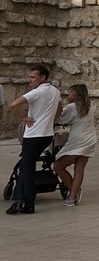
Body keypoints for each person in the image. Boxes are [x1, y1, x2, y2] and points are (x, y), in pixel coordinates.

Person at [6, 65, 60, 215]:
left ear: (43, 77)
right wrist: (50, 121)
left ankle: (26, 203)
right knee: (25, 167)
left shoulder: (36, 92)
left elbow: (14, 104)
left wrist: (24, 117)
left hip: (34, 135)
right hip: (47, 134)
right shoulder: (55, 91)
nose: (29, 80)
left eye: (32, 77)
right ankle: (19, 200)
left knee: (27, 170)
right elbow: (59, 108)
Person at [53, 84, 96, 207]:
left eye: (70, 93)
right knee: (79, 169)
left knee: (58, 167)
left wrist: (60, 106)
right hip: (90, 138)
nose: (68, 95)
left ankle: (73, 192)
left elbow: (60, 119)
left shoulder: (72, 107)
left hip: (77, 139)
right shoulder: (90, 105)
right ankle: (72, 196)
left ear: (76, 94)